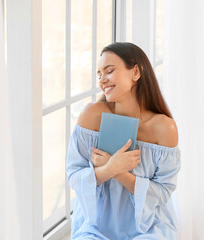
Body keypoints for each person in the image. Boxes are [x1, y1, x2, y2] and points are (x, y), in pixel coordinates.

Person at [66, 42, 181, 239]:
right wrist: (109, 168)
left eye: (109, 71)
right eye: (99, 74)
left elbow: (163, 191)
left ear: (135, 72)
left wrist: (119, 172)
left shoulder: (164, 128)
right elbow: (74, 176)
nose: (102, 80)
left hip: (149, 225)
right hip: (96, 225)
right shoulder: (92, 116)